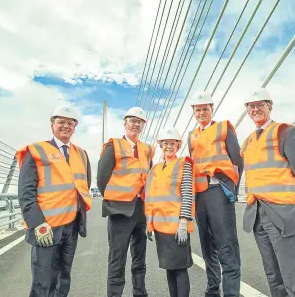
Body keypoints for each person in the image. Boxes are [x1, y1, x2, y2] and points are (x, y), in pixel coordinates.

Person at [240, 88, 295, 297]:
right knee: (274, 276)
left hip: (282, 213)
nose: (255, 109)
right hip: (256, 214)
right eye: (251, 106)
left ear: (270, 106)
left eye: (260, 105)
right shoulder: (247, 141)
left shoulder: (285, 132)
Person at [16, 104, 92, 297]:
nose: (66, 126)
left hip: (71, 226)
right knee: (43, 281)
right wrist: (37, 224)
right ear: (52, 125)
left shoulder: (81, 154)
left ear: (75, 127)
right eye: (61, 122)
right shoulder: (36, 151)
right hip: (46, 227)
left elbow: (83, 186)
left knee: (63, 278)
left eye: (70, 123)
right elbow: (26, 193)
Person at [188, 91, 243, 297]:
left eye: (205, 109)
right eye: (197, 109)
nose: (201, 112)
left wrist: (231, 189)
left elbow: (238, 160)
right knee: (207, 245)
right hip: (200, 194)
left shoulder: (223, 128)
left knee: (226, 245)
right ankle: (212, 291)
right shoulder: (192, 135)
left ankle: (231, 293)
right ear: (193, 112)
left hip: (219, 190)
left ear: (212, 109)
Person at [97, 107, 155, 297]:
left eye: (140, 122)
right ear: (125, 122)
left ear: (143, 125)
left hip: (141, 210)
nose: (136, 124)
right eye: (133, 120)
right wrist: (115, 199)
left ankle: (140, 293)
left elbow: (151, 178)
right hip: (120, 211)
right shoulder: (113, 145)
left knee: (139, 259)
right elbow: (102, 178)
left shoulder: (147, 150)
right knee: (117, 258)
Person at [145, 127, 195, 297]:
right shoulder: (155, 169)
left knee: (180, 270)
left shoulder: (184, 163)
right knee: (169, 268)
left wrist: (183, 221)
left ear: (178, 145)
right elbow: (151, 197)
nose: (168, 146)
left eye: (172, 143)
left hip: (177, 227)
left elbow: (188, 193)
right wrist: (149, 223)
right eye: (165, 143)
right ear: (160, 145)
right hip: (160, 227)